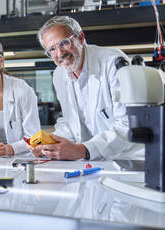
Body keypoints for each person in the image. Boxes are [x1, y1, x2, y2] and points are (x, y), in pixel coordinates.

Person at [28, 16, 144, 160]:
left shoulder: (112, 62)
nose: (59, 53)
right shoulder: (59, 75)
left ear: (80, 38)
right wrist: (50, 145)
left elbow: (129, 124)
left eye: (64, 43)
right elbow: (69, 121)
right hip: (92, 162)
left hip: (127, 160)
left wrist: (82, 149)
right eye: (51, 49)